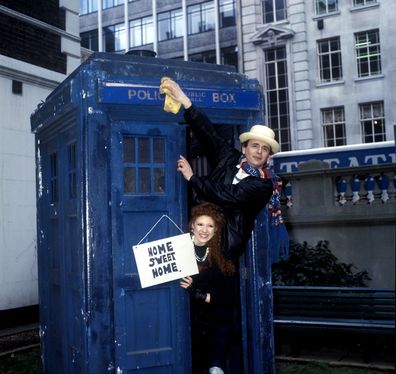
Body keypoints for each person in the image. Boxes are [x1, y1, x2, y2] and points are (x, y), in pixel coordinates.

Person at [160, 78, 288, 262]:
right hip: (198, 234)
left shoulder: (264, 185)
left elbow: (228, 194)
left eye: (265, 149)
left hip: (224, 247)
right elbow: (208, 135)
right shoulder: (229, 157)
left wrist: (192, 178)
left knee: (206, 284)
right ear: (245, 148)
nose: (259, 152)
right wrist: (185, 101)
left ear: (268, 155)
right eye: (255, 146)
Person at [180, 202, 238, 374]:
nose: (204, 230)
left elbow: (228, 295)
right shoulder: (178, 248)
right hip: (187, 318)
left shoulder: (220, 253)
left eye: (210, 226)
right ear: (192, 225)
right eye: (200, 224)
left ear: (216, 229)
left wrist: (199, 294)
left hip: (214, 320)